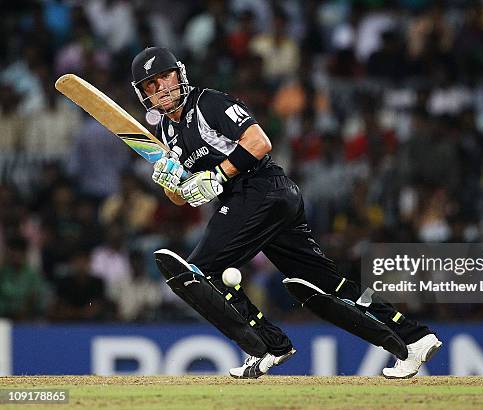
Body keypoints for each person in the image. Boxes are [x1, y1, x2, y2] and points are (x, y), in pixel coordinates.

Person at [130, 47, 442, 379]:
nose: (161, 87)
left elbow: (259, 142)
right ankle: (414, 338)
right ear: (144, 93)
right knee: (323, 287)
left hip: (262, 189)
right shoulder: (166, 132)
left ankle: (267, 346)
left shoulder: (208, 103)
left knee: (198, 273)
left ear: (180, 74)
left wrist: (218, 175)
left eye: (165, 76)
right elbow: (183, 197)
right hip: (260, 201)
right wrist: (170, 183)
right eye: (151, 84)